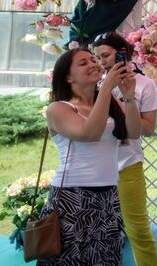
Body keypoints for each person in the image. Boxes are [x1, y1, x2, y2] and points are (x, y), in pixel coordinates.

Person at [40, 48, 141, 266]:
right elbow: (89, 134)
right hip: (72, 197)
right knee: (71, 260)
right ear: (68, 77)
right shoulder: (58, 109)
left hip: (108, 197)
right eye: (83, 63)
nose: (94, 64)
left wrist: (129, 96)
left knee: (105, 259)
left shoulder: (110, 103)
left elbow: (134, 132)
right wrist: (105, 89)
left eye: (93, 59)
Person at [93, 31, 157, 266]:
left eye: (105, 55)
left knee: (138, 232)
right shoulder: (94, 86)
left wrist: (127, 101)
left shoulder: (145, 85)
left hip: (127, 165)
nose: (101, 62)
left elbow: (147, 129)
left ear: (123, 54)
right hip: (96, 168)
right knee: (99, 232)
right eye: (98, 58)